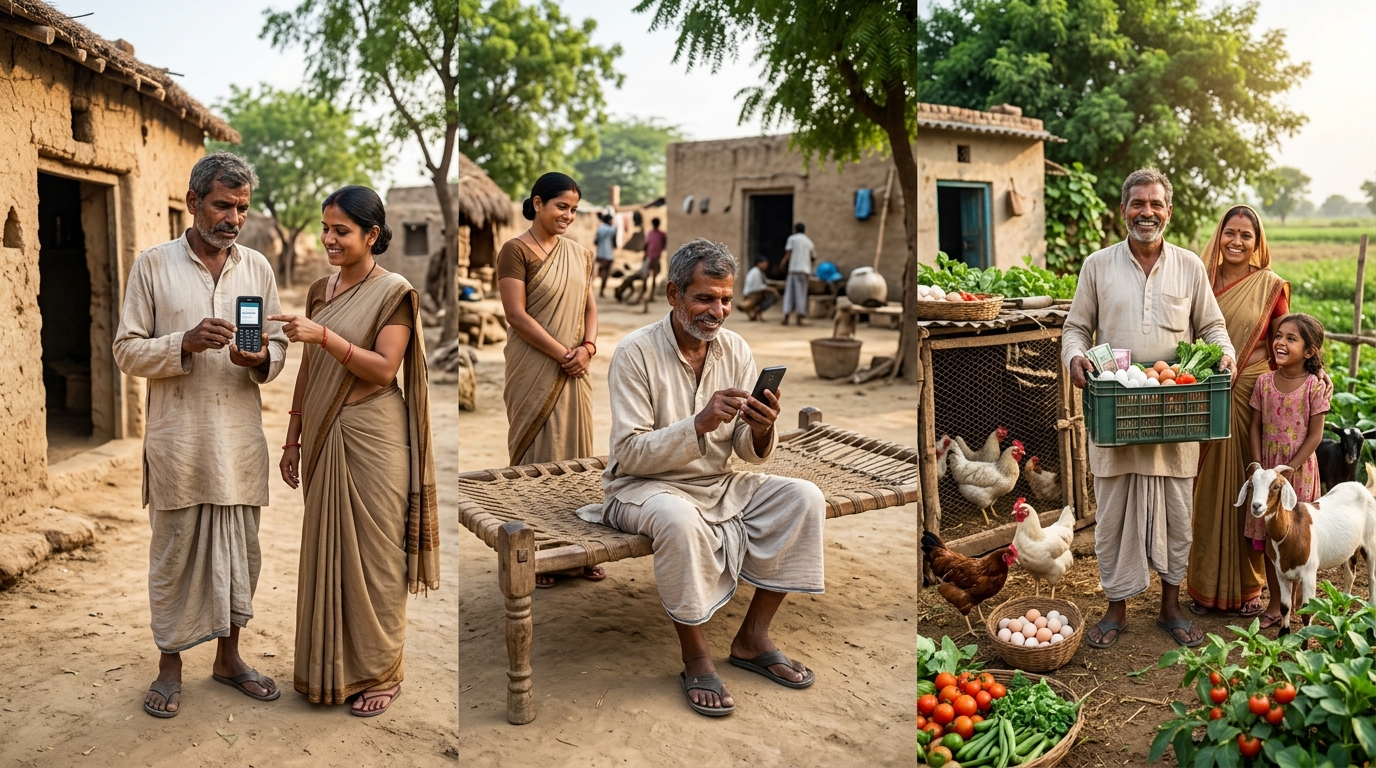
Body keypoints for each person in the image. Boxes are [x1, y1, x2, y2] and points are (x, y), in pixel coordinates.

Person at [584, 238, 826, 717]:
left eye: (725, 299)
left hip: (717, 483)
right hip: (641, 488)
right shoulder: (635, 353)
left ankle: (752, 638)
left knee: (805, 498)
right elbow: (628, 452)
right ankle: (696, 656)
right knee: (677, 518)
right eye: (705, 298)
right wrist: (697, 423)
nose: (718, 311)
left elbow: (746, 452)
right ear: (674, 294)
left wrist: (762, 428)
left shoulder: (734, 347)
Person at [113, 151, 289, 718]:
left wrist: (261, 356)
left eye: (241, 207)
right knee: (174, 556)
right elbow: (124, 349)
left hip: (238, 442)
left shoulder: (257, 269)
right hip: (179, 443)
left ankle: (229, 659)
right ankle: (170, 665)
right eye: (222, 205)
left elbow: (279, 345)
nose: (233, 217)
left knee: (241, 554)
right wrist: (181, 344)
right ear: (193, 203)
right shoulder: (152, 265)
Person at [269, 186, 439, 717]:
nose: (329, 239)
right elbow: (308, 370)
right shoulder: (321, 289)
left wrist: (323, 336)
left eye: (341, 231)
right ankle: (332, 668)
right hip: (321, 432)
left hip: (375, 436)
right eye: (326, 229)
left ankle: (382, 670)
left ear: (372, 235)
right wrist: (293, 434)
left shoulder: (394, 293)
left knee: (376, 558)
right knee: (329, 550)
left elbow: (385, 368)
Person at [1062, 168, 1236, 649]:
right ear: (1124, 211)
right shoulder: (1097, 265)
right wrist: (1076, 357)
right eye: (1138, 203)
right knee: (1114, 514)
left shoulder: (1189, 267)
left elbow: (1214, 328)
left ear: (1169, 211)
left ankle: (1170, 607)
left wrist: (1225, 355)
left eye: (1156, 204)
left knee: (1177, 516)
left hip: (1174, 412)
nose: (1147, 212)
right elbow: (1076, 328)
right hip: (1116, 412)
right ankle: (1116, 610)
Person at [1185, 206, 1331, 617]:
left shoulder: (1270, 287)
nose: (1236, 241)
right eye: (1229, 232)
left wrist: (1318, 377)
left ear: (1257, 242)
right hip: (1209, 393)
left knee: (1256, 500)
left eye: (1246, 235)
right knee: (1210, 491)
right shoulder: (1201, 280)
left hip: (1254, 395)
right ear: (1219, 235)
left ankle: (1251, 590)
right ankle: (1204, 589)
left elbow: (1290, 345)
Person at [497, 172, 603, 588]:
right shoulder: (515, 251)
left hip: (576, 368)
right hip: (534, 367)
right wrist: (563, 353)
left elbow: (589, 308)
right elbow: (517, 316)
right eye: (562, 206)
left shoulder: (579, 254)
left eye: (574, 209)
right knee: (537, 456)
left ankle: (579, 550)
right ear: (538, 203)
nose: (568, 215)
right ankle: (536, 551)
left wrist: (588, 349)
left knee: (577, 455)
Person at [1249, 314, 1331, 630]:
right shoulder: (1263, 383)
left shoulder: (1315, 387)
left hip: (1299, 471)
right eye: (1279, 335)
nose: (1281, 342)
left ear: (1309, 351)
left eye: (1291, 338)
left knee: (1296, 536)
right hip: (1267, 474)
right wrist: (1259, 469)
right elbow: (1254, 427)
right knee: (1270, 539)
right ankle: (1275, 602)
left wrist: (1291, 468)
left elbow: (1316, 435)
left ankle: (1296, 601)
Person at [615, 217, 667, 303]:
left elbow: (647, 245)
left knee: (648, 277)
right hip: (652, 257)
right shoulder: (657, 234)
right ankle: (648, 296)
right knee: (647, 277)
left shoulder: (652, 234)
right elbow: (659, 245)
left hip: (651, 257)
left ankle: (648, 296)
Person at [780, 223, 815, 326]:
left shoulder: (792, 239)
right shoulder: (809, 242)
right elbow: (813, 257)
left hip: (794, 269)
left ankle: (786, 317)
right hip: (804, 270)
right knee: (801, 294)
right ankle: (799, 318)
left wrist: (783, 262)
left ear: (795, 230)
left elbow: (788, 253)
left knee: (790, 293)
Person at [739, 256, 779, 321]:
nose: (766, 265)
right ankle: (757, 311)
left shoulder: (760, 272)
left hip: (752, 294)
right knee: (773, 295)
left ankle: (754, 312)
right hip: (752, 295)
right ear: (759, 263)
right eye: (764, 263)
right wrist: (772, 289)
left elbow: (766, 282)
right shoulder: (756, 272)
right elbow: (758, 287)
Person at [594, 212, 617, 298]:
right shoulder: (611, 229)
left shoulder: (599, 228)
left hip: (600, 254)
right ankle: (601, 291)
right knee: (605, 273)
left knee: (598, 271)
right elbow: (614, 242)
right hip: (608, 255)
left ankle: (594, 288)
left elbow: (595, 242)